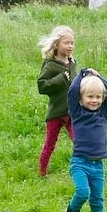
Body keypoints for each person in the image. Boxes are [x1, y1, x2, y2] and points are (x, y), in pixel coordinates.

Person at [63, 68, 107, 212]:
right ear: (81, 98)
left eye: (98, 97)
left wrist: (98, 76)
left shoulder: (103, 113)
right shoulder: (77, 113)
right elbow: (72, 90)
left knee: (97, 199)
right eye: (90, 96)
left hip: (98, 165)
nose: (94, 100)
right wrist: (83, 74)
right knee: (82, 192)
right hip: (80, 163)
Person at [36, 26, 78, 178]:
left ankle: (79, 171)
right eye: (66, 43)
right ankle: (41, 173)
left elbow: (75, 81)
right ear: (56, 45)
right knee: (50, 144)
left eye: (72, 43)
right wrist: (60, 79)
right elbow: (42, 85)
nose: (70, 46)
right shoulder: (50, 65)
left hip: (72, 112)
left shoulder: (72, 63)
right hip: (56, 112)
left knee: (78, 143)